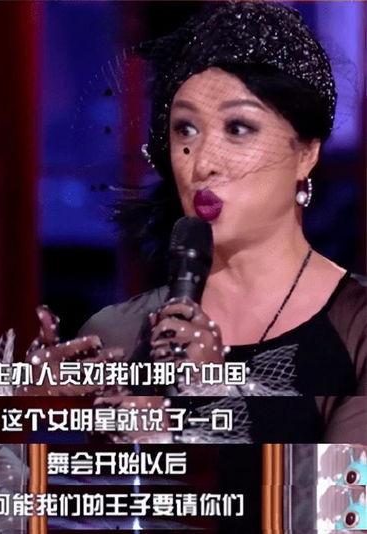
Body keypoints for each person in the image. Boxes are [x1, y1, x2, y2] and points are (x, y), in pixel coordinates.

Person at [74, 1, 367, 443]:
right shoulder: (117, 333)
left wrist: (211, 404)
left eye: (238, 128)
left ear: (305, 153)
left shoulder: (356, 328)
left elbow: (348, 488)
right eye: (186, 130)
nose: (203, 163)